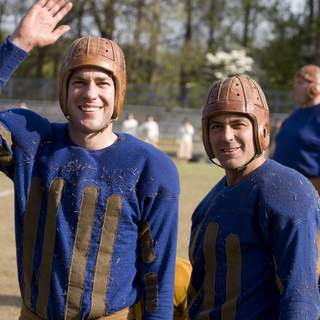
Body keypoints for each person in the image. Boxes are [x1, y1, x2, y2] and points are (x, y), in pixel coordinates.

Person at [0, 1, 179, 319]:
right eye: (79, 82)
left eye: (103, 83)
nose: (90, 94)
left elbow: (158, 280)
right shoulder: (35, 144)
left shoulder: (149, 166)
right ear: (64, 91)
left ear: (118, 92)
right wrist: (19, 44)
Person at [187, 75, 320, 319]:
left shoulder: (288, 191)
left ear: (262, 130)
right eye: (217, 126)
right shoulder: (207, 203)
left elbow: (300, 296)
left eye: (238, 125)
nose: (226, 136)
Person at [273, 64, 320, 193]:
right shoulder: (296, 114)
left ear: (315, 86)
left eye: (300, 83)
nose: (295, 87)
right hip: (281, 187)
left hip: (309, 192)